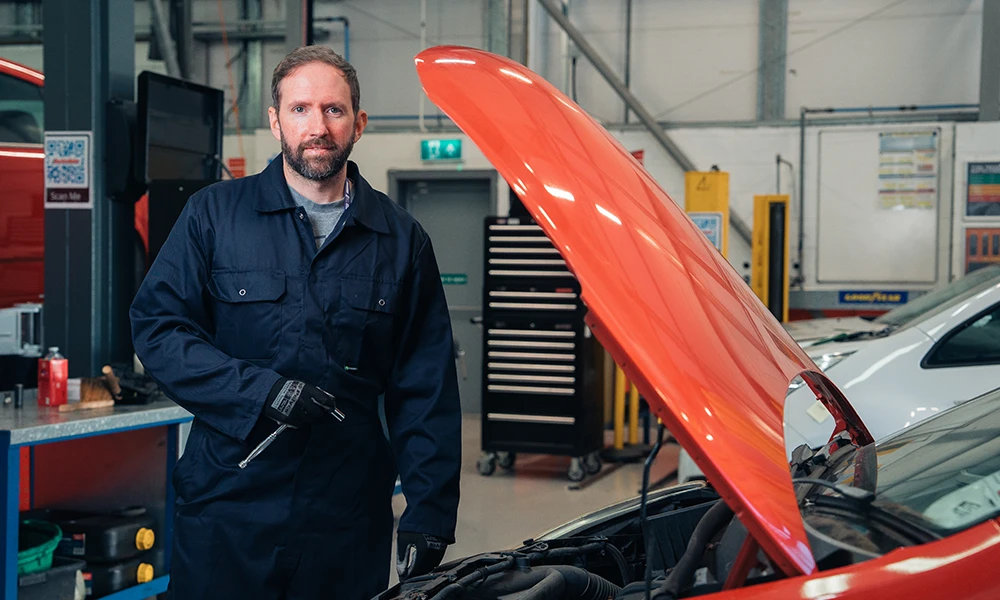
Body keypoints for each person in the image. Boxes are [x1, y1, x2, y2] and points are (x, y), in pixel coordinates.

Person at [130, 45, 462, 599]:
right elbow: (159, 328)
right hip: (227, 509)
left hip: (344, 519)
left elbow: (425, 387)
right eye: (301, 109)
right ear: (275, 121)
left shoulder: (401, 240)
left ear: (358, 123)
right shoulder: (214, 215)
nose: (318, 127)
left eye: (333, 110)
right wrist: (263, 393)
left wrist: (430, 510)